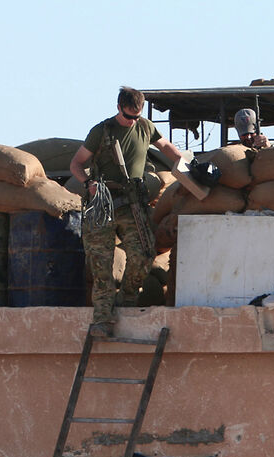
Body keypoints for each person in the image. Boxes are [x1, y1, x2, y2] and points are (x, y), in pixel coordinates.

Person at [70, 87, 185, 337]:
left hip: (133, 204)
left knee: (144, 254)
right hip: (103, 204)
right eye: (128, 116)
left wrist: (185, 163)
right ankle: (102, 319)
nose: (132, 121)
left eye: (136, 116)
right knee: (100, 263)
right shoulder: (101, 131)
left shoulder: (145, 127)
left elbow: (164, 146)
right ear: (118, 107)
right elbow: (76, 163)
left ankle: (127, 301)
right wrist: (87, 184)